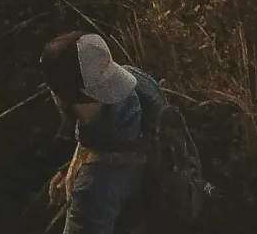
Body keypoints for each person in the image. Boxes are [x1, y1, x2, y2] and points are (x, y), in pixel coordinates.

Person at [41, 31, 164, 234]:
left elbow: (101, 186)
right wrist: (73, 169)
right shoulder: (140, 82)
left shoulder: (93, 190)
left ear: (64, 98)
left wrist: (82, 184)